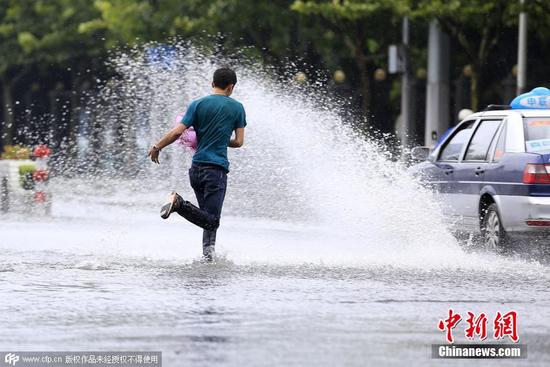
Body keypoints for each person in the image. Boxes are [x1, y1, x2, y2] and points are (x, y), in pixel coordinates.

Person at [147, 67, 247, 261]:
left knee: (205, 217)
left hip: (196, 170)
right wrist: (221, 137)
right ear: (231, 87)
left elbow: (177, 133)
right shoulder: (237, 108)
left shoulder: (197, 104)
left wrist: (157, 146)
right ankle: (179, 203)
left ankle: (208, 258)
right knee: (212, 221)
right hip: (216, 170)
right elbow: (238, 142)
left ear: (212, 84)